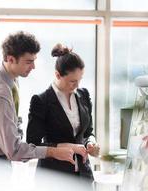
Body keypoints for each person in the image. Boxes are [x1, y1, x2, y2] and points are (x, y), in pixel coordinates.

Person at [0, 31, 75, 164]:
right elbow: (14, 150)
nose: (33, 67)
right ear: (10, 59)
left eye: (34, 61)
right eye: (28, 62)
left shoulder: (5, 73)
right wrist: (53, 152)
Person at [26, 43, 100, 179]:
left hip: (84, 176)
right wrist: (68, 146)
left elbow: (88, 132)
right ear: (58, 75)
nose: (77, 85)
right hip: (53, 178)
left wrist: (91, 142)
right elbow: (33, 144)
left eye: (80, 80)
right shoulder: (41, 101)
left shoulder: (83, 95)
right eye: (72, 81)